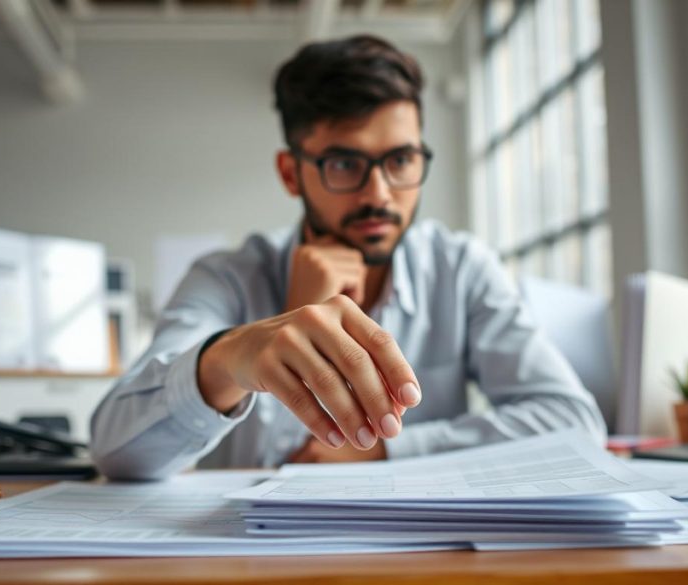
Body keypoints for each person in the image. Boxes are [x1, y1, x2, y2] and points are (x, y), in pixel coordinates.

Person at [90, 35, 605, 480]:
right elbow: (116, 453)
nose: (380, 193)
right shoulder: (226, 278)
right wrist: (230, 358)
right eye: (345, 163)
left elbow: (572, 421)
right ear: (292, 173)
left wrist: (385, 449)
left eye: (401, 160)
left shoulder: (460, 269)